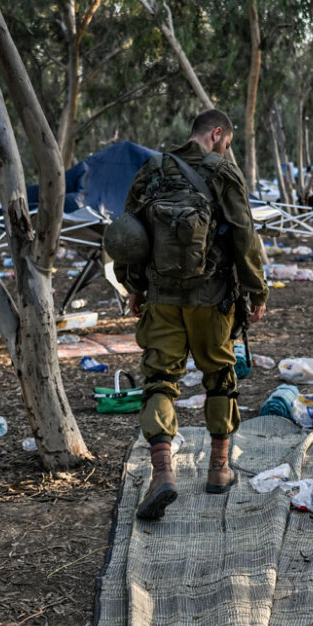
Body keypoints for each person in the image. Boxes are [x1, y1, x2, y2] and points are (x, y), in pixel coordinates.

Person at [113, 110, 268, 520]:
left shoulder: (153, 169)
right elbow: (244, 234)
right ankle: (219, 469)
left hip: (162, 297)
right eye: (227, 143)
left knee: (160, 380)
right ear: (217, 134)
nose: (225, 150)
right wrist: (256, 290)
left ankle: (162, 472)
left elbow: (129, 234)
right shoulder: (223, 172)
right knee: (219, 375)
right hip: (212, 297)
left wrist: (134, 286)